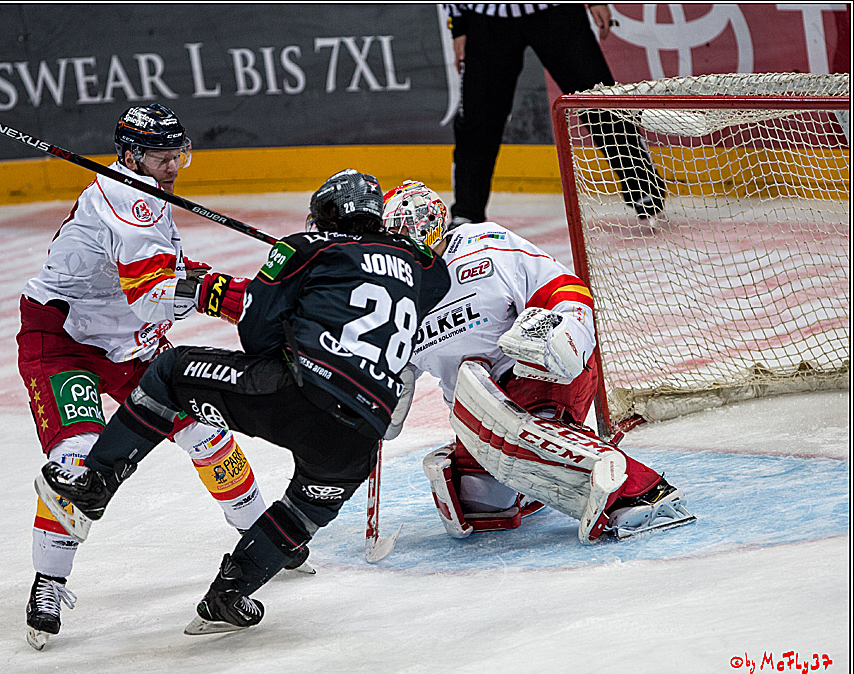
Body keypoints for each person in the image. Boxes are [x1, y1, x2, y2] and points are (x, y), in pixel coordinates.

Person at [34, 168, 451, 635]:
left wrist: (294, 280)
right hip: (361, 436)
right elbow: (409, 266)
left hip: (296, 395)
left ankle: (98, 481)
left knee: (169, 373)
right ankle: (228, 595)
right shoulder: (427, 271)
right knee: (301, 509)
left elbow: (258, 335)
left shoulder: (302, 248)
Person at [17, 103, 308, 651]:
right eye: (159, 155)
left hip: (132, 345)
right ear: (130, 154)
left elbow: (162, 269)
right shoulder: (128, 198)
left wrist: (228, 284)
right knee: (79, 461)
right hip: (65, 341)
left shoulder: (140, 190)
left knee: (206, 432)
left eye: (177, 153)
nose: (172, 165)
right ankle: (48, 582)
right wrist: (239, 298)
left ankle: (257, 535)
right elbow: (153, 297)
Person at [380, 180, 695, 542]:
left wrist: (566, 336)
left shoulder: (485, 249)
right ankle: (536, 481)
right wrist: (377, 398)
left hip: (542, 375)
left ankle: (644, 490)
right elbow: (391, 365)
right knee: (477, 504)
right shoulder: (395, 296)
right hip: (478, 413)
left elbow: (563, 287)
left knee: (519, 442)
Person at [446, 3, 667, 226]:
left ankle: (644, 188)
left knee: (600, 103)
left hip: (556, 13)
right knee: (478, 120)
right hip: (485, 18)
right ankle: (467, 211)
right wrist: (458, 26)